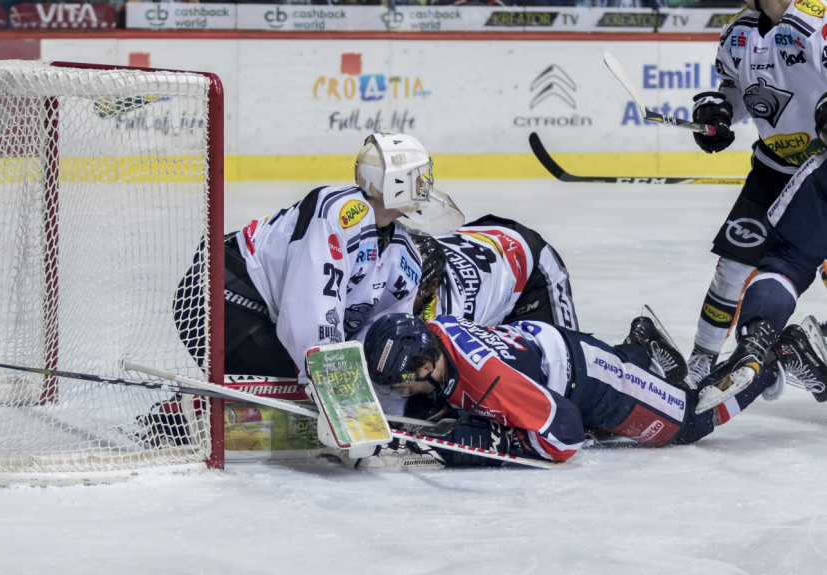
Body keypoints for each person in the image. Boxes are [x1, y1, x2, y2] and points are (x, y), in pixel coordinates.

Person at [350, 311, 827, 469]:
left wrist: (482, 446)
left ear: (422, 362)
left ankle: (785, 354)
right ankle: (639, 347)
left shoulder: (490, 380)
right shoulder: (435, 331)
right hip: (555, 354)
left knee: (688, 422)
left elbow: (565, 437)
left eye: (399, 379)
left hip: (592, 382)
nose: (398, 388)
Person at [173, 131, 464, 383]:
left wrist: (384, 381)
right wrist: (329, 374)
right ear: (396, 182)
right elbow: (310, 299)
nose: (426, 185)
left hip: (267, 315)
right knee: (296, 385)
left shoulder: (404, 254)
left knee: (312, 380)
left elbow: (383, 333)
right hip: (217, 299)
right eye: (419, 177)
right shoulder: (338, 212)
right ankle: (174, 420)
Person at [683, 0, 826, 388]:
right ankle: (701, 362)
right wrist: (719, 111)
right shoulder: (735, 33)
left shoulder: (819, 18)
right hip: (773, 170)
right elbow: (738, 90)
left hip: (822, 173)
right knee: (732, 267)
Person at [412, 214, 579, 331]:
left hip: (528, 265)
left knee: (561, 359)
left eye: (410, 292)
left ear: (432, 286)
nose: (400, 295)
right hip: (480, 243)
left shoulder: (450, 318)